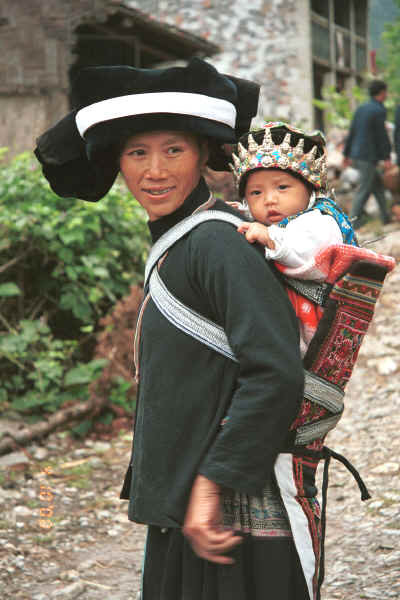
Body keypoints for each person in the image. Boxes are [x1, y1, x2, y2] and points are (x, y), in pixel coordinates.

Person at [34, 59, 311, 599]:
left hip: (225, 513)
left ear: (205, 154)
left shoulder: (217, 244)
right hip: (190, 504)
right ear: (118, 160)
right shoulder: (181, 240)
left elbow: (275, 374)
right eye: (137, 152)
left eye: (173, 150)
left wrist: (212, 483)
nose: (153, 171)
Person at [228, 122, 357, 356]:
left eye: (282, 187)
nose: (269, 200)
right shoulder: (286, 218)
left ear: (309, 189)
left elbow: (307, 256)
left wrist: (271, 239)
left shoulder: (320, 220)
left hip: (315, 320)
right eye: (256, 193)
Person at [343, 79, 392, 228]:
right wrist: (386, 156)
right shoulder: (378, 110)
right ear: (382, 93)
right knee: (364, 189)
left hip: (357, 155)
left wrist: (346, 154)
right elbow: (381, 135)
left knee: (377, 185)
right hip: (368, 156)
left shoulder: (361, 108)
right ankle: (352, 222)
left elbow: (352, 131)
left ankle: (386, 216)